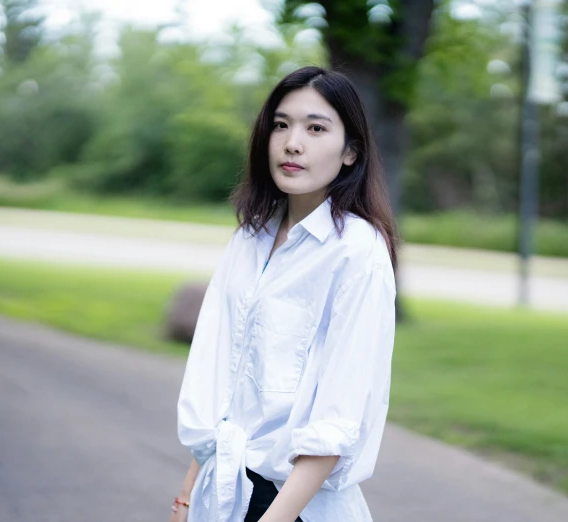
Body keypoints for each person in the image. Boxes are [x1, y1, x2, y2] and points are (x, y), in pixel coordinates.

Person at [171, 66, 398, 522]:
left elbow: (337, 421)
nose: (293, 142)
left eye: (316, 128)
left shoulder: (356, 253)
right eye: (281, 125)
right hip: (222, 494)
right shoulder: (250, 239)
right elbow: (227, 383)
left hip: (295, 505)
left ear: (351, 151)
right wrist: (186, 495)